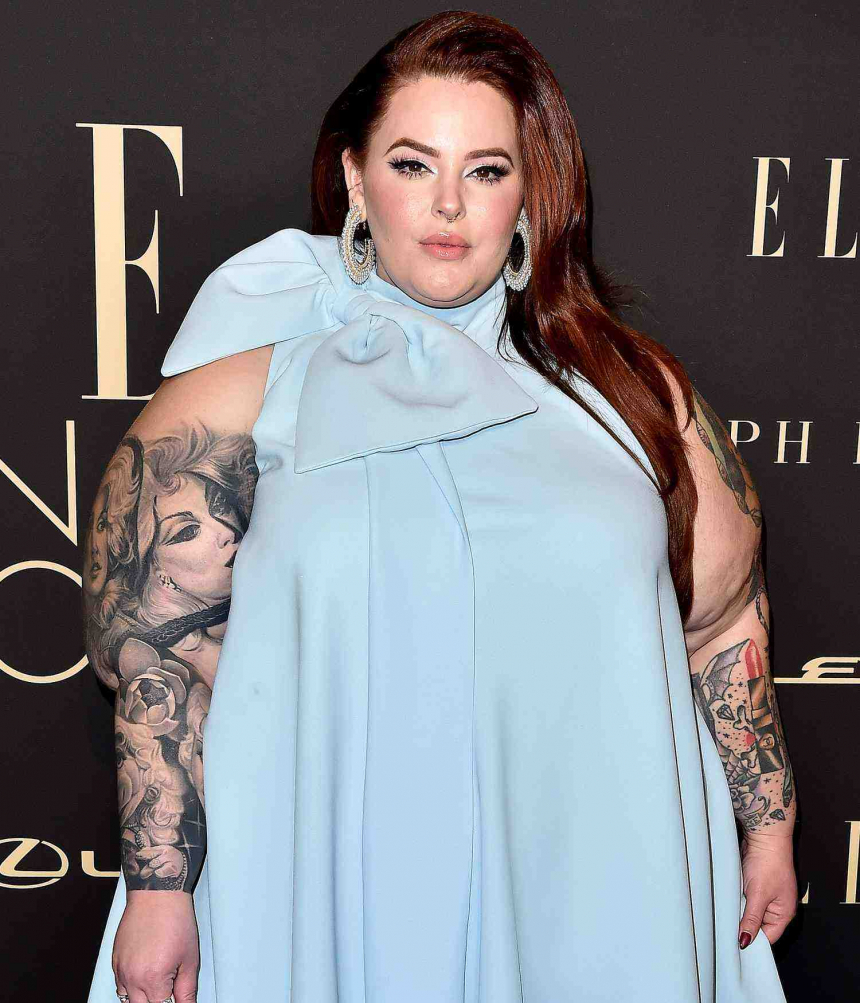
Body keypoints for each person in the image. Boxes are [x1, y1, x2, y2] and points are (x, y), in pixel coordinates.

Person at [84, 10, 797, 1002]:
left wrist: (767, 826)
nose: (449, 204)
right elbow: (156, 655)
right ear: (354, 180)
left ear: (530, 191)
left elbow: (721, 624)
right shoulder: (238, 392)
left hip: (593, 865)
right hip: (324, 869)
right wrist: (161, 891)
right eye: (413, 164)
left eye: (487, 170)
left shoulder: (637, 394)